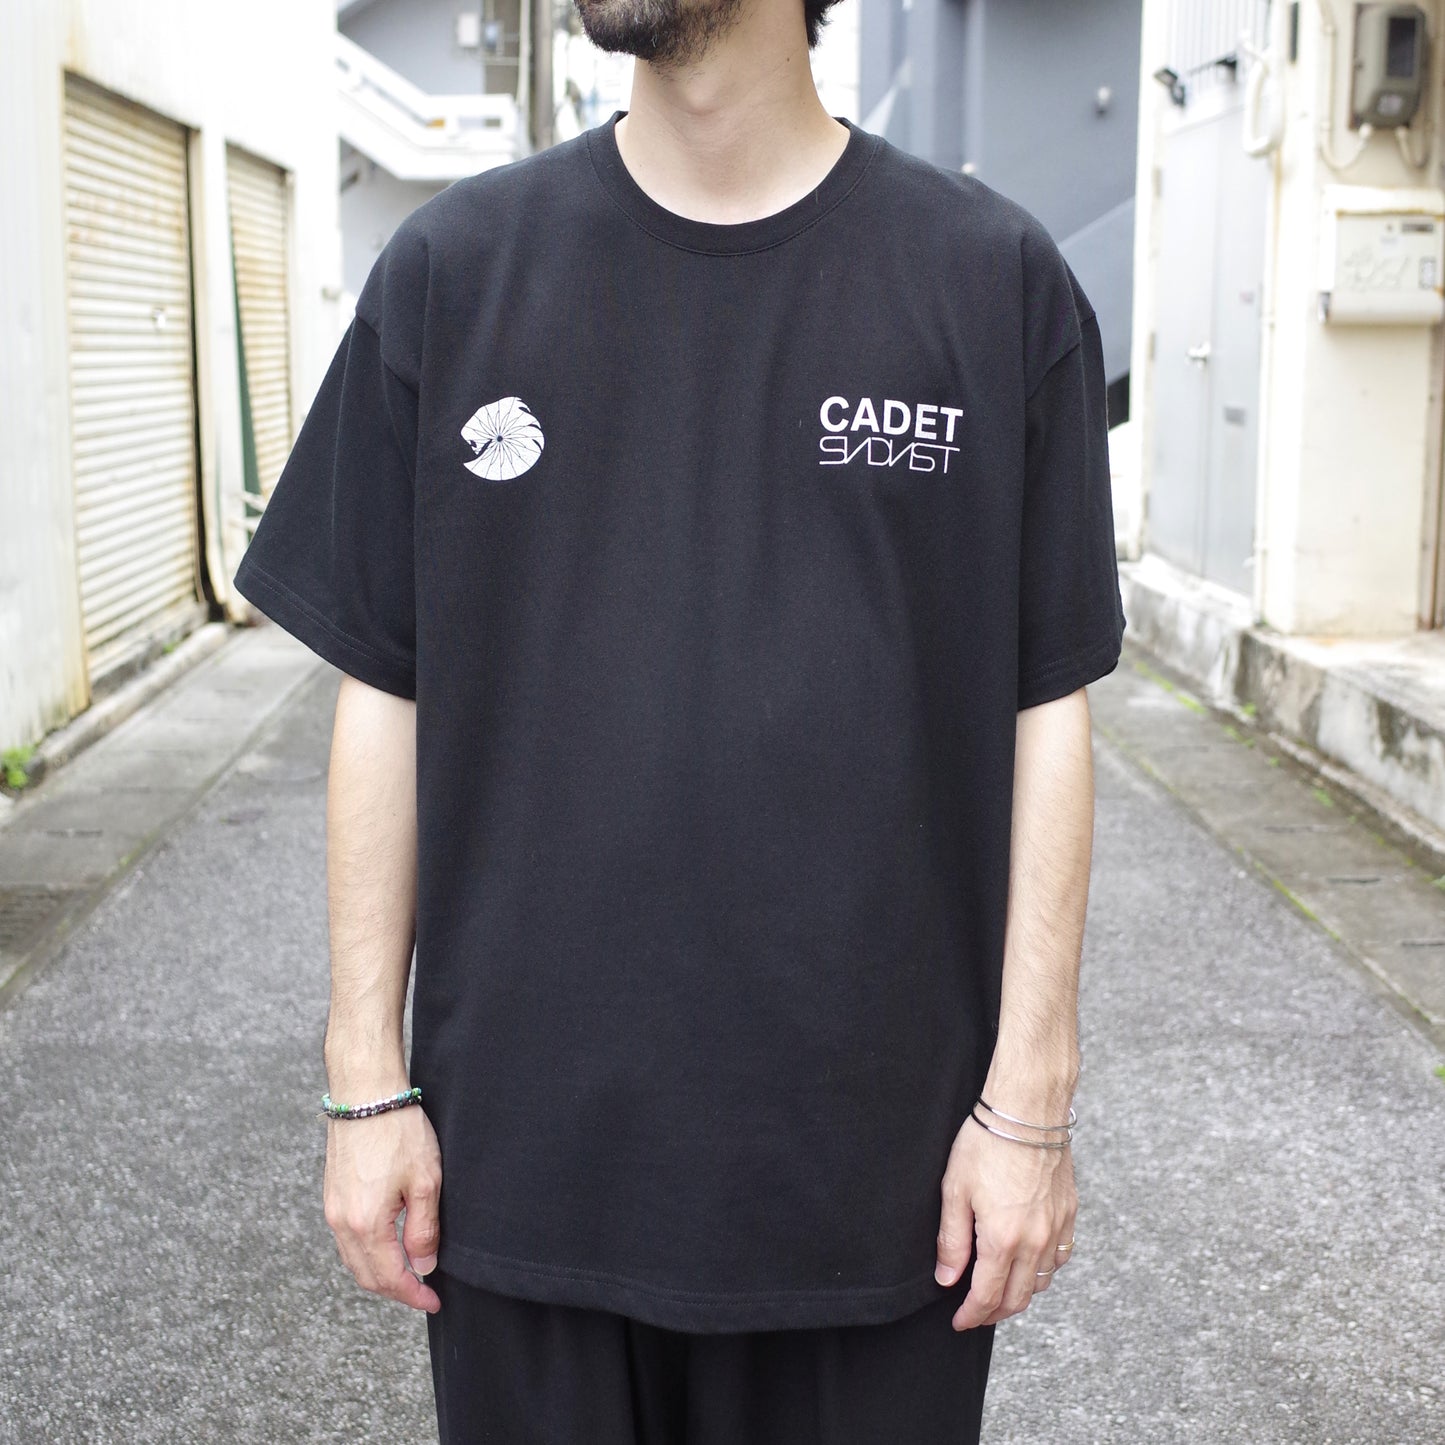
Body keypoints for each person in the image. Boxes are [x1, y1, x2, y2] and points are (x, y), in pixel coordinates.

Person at [234, 0, 1125, 1435]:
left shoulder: (989, 282)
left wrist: (1031, 1103)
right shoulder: (457, 271)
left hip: (880, 1202)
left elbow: (1046, 709)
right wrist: (362, 1085)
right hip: (520, 1184)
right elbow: (384, 689)